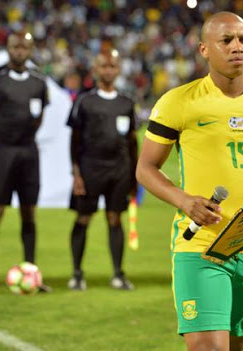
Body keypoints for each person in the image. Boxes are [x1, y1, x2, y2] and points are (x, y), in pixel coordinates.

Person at [136, 12, 243, 351]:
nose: (237, 48)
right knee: (209, 347)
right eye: (226, 41)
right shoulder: (178, 101)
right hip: (200, 244)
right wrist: (185, 201)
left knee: (236, 346)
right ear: (204, 49)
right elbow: (145, 168)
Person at [0, 31, 50, 295]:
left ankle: (32, 273)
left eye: (25, 46)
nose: (20, 50)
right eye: (15, 45)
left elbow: (40, 113)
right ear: (7, 47)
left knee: (29, 212)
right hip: (1, 152)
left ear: (31, 49)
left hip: (28, 153)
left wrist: (27, 134)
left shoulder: (39, 80)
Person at [66, 49, 138, 291]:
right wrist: (76, 174)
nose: (108, 70)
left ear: (118, 70)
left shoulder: (126, 102)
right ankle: (77, 273)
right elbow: (74, 141)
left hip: (119, 170)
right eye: (104, 66)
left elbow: (132, 142)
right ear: (95, 69)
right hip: (90, 169)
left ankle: (118, 274)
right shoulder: (85, 101)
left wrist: (134, 176)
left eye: (113, 66)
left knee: (115, 219)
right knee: (84, 218)